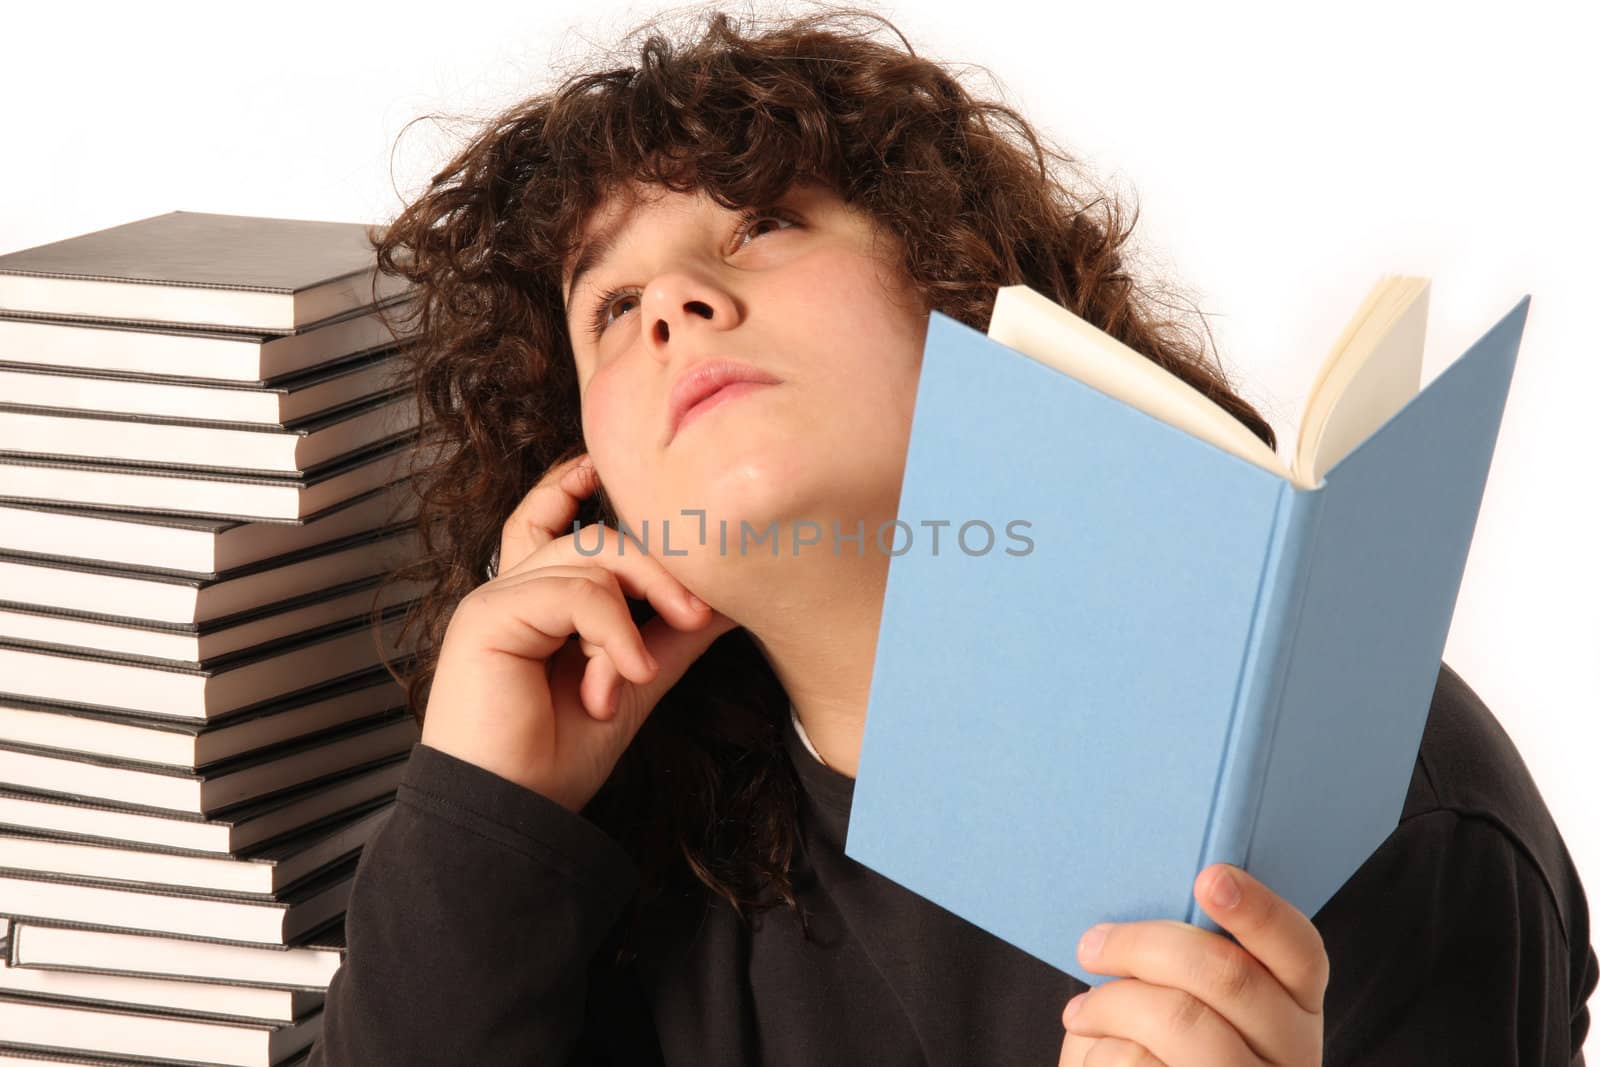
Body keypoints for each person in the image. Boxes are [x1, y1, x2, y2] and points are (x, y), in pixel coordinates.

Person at [313, 5, 1598, 1064]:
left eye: (759, 221)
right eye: (613, 304)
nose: (675, 308)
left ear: (960, 279)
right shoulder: (605, 829)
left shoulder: (1374, 795)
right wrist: (480, 818)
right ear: (583, 477)